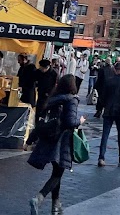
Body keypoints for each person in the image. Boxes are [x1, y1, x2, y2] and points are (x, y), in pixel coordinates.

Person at [27, 73, 85, 215]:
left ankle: (56, 205)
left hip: (49, 138)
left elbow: (41, 121)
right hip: (62, 140)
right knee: (58, 173)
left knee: (57, 171)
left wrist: (30, 140)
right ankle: (39, 198)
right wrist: (80, 121)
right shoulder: (71, 100)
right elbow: (70, 122)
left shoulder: (53, 99)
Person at [97, 62, 120, 167]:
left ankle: (101, 158)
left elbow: (102, 96)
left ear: (116, 70)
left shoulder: (109, 80)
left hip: (108, 110)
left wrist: (102, 107)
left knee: (105, 135)